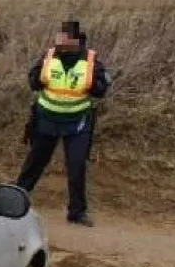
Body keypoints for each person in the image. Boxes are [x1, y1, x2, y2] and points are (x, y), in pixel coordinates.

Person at [15, 20, 110, 226]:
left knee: (76, 166)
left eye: (65, 39)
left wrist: (95, 85)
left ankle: (76, 212)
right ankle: (15, 199)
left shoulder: (91, 61)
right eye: (59, 38)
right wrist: (37, 78)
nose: (60, 42)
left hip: (77, 122)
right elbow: (33, 82)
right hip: (46, 119)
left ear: (76, 41)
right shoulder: (48, 57)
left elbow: (101, 89)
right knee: (35, 162)